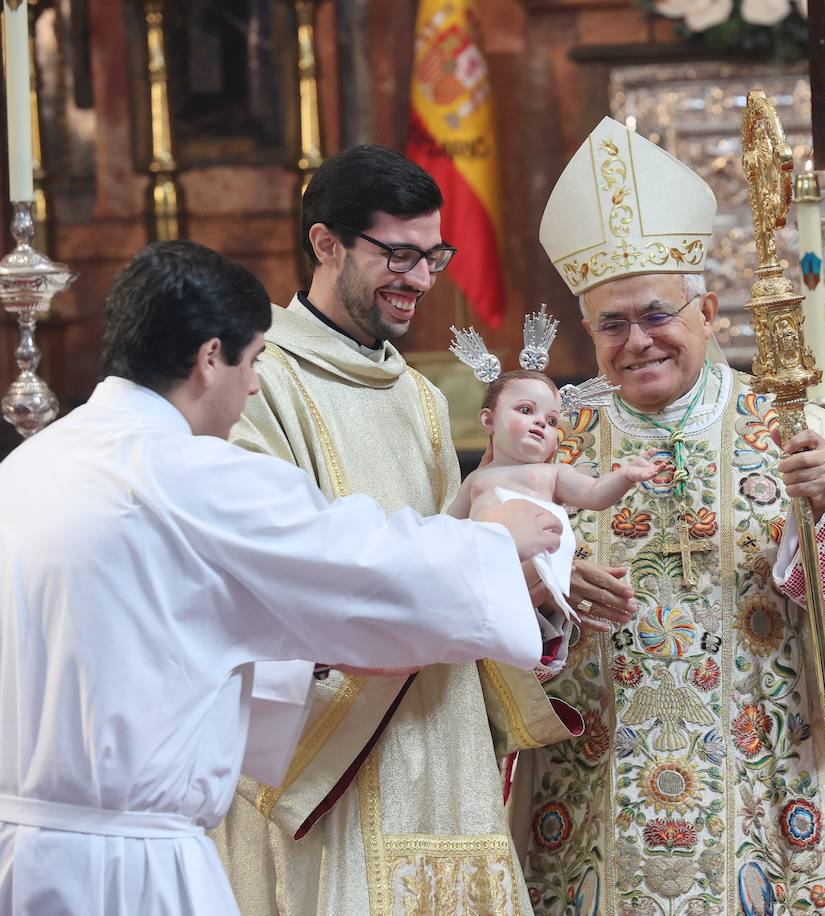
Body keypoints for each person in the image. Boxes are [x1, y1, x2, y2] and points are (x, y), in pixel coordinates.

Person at [0, 240, 562, 915]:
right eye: (254, 361)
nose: (254, 386)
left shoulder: (32, 464)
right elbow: (362, 568)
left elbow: (154, 634)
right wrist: (494, 542)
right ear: (211, 358)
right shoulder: (195, 476)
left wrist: (304, 650)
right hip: (132, 868)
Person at [512, 117, 825, 915]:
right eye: (611, 324)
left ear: (707, 311)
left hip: (767, 803)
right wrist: (539, 592)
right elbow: (478, 620)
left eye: (656, 315)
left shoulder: (795, 431)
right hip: (593, 810)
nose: (637, 342)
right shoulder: (549, 448)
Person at [213, 145, 577, 916]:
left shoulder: (420, 397)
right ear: (326, 243)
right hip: (332, 754)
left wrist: (534, 586)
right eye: (398, 255)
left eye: (433, 256)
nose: (420, 279)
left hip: (443, 744)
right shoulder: (260, 381)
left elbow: (461, 557)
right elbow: (273, 579)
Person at [451, 370, 662, 620]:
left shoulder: (552, 473)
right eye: (526, 410)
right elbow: (447, 528)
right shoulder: (476, 479)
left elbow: (594, 493)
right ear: (488, 420)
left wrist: (625, 475)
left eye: (551, 421)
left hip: (532, 578)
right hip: (482, 577)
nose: (541, 423)